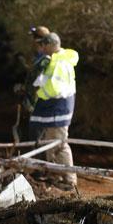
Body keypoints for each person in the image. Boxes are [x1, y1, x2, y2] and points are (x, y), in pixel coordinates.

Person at [29, 32, 79, 189]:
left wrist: (36, 91)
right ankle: (56, 175)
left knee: (59, 144)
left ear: (51, 45)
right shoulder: (59, 59)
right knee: (51, 143)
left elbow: (52, 88)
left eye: (44, 45)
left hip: (58, 109)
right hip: (57, 108)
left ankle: (69, 179)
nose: (42, 48)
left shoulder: (58, 63)